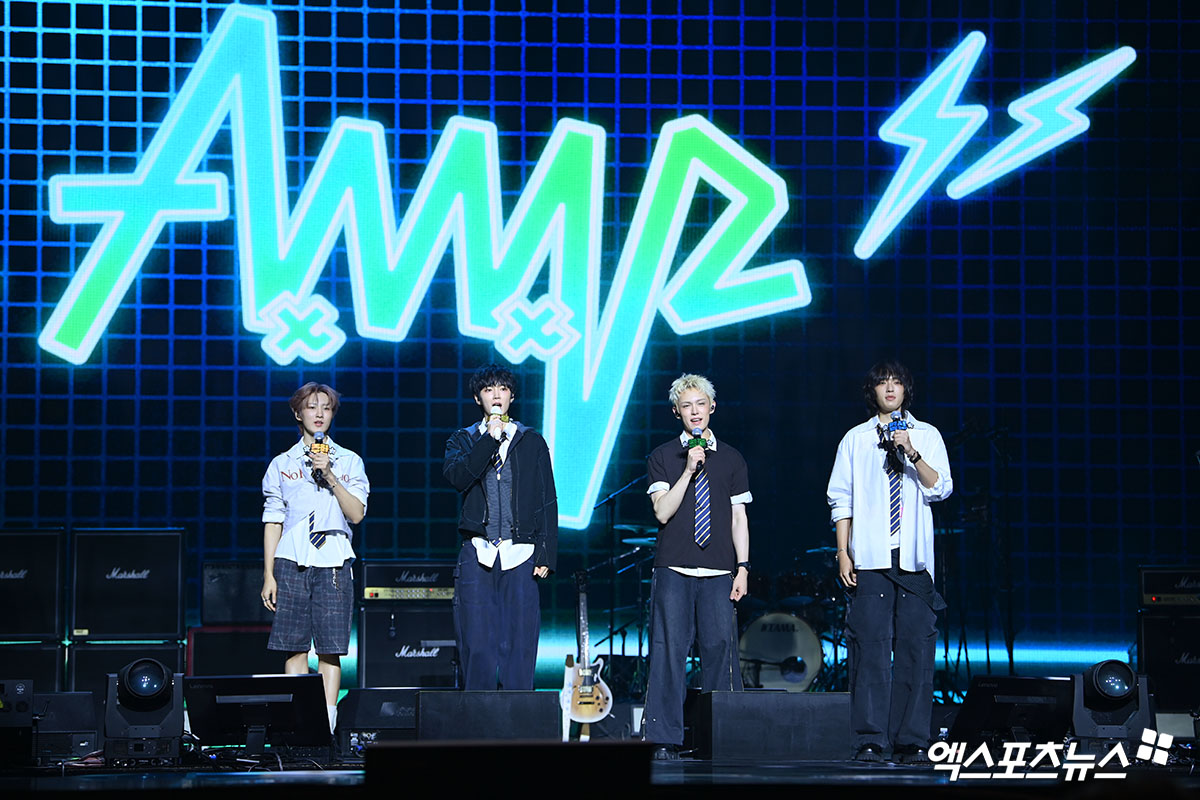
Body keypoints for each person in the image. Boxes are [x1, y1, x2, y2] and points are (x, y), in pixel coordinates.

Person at [826, 361, 953, 763]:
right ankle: (869, 739)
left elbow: (941, 488)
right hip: (870, 558)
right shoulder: (856, 439)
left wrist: (911, 451)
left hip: (914, 560)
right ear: (873, 392)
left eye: (896, 382)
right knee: (869, 650)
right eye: (883, 383)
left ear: (906, 389)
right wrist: (843, 551)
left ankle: (911, 740)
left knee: (917, 649)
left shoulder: (927, 435)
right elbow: (840, 499)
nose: (890, 388)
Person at [642, 374, 750, 759]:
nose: (694, 412)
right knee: (668, 652)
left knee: (721, 651)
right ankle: (663, 738)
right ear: (676, 412)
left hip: (719, 570)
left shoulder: (732, 458)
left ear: (712, 407)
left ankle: (722, 737)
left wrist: (743, 567)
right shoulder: (662, 456)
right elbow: (662, 511)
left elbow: (739, 517)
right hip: (674, 568)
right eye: (686, 406)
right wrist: (688, 470)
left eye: (700, 404)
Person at [260, 382, 369, 734]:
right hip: (291, 560)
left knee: (329, 648)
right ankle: (297, 724)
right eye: (311, 407)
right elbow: (273, 520)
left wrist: (330, 475)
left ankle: (326, 726)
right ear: (298, 413)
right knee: (293, 647)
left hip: (333, 561)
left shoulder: (349, 461)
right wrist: (269, 574)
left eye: (326, 407)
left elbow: (356, 514)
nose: (319, 413)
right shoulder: (282, 464)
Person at [443, 363, 558, 690]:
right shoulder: (463, 439)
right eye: (488, 389)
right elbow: (458, 478)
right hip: (477, 551)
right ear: (478, 398)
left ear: (512, 396)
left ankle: (518, 718)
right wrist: (488, 440)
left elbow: (547, 498)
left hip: (520, 552)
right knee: (477, 644)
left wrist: (546, 553)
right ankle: (476, 716)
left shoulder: (531, 440)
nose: (496, 395)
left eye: (503, 389)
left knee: (519, 645)